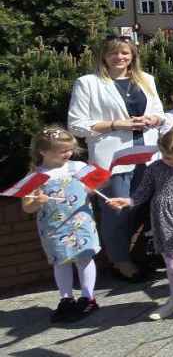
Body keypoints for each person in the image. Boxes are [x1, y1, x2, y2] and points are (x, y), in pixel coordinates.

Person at [67, 36, 165, 282]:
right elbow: (76, 125)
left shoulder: (146, 79)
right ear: (104, 56)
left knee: (141, 207)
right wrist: (115, 124)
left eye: (124, 53)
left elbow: (160, 113)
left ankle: (134, 254)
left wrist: (153, 119)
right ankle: (120, 262)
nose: (119, 57)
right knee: (116, 213)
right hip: (113, 159)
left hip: (147, 155)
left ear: (132, 56)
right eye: (113, 53)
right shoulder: (88, 83)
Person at [106, 119, 173, 319]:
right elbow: (143, 192)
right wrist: (127, 201)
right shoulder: (154, 167)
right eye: (167, 156)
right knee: (169, 261)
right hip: (161, 219)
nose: (171, 161)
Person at [24, 127, 102, 322]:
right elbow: (27, 206)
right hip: (53, 227)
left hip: (80, 221)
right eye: (62, 151)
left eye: (70, 149)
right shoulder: (36, 175)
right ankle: (66, 298)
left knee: (84, 258)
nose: (68, 154)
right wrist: (37, 202)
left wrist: (91, 188)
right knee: (60, 261)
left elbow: (97, 184)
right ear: (43, 152)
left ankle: (88, 297)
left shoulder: (78, 167)